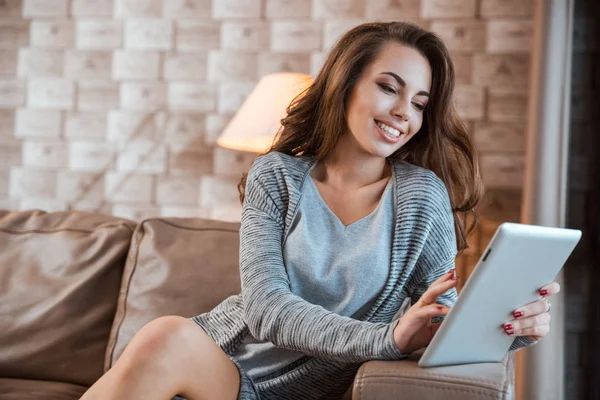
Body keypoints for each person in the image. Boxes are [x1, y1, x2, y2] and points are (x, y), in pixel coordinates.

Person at [80, 21, 559, 400]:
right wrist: (387, 339)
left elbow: (436, 316)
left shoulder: (421, 195)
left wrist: (510, 325)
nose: (403, 113)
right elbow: (266, 311)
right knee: (167, 336)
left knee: (164, 335)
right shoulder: (277, 176)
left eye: (419, 102)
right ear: (345, 84)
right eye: (389, 88)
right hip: (217, 363)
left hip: (280, 392)